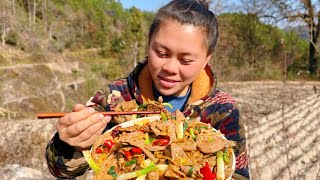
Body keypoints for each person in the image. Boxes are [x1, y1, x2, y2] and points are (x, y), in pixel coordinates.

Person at [45, 0, 250, 179]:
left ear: (207, 58)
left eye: (186, 60)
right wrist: (70, 144)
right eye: (161, 53)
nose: (170, 68)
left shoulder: (222, 109)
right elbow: (60, 170)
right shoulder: (114, 98)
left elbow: (238, 173)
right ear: (148, 43)